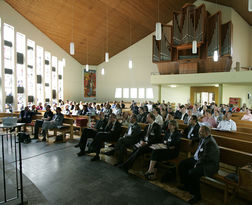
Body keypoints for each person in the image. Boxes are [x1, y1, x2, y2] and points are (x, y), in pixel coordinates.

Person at [178, 126, 219, 204]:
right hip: (198, 159)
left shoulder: (210, 143)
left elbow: (206, 157)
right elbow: (197, 138)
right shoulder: (203, 137)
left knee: (193, 173)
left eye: (201, 132)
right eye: (199, 131)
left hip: (208, 164)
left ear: (207, 133)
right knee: (182, 164)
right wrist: (193, 140)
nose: (199, 133)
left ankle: (196, 195)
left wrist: (197, 164)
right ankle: (186, 185)